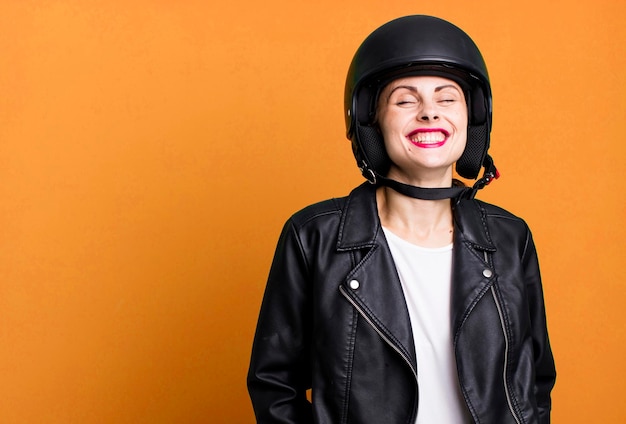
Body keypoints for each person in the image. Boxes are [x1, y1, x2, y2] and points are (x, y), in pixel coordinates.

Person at [247, 15, 556, 424]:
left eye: (447, 98)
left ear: (474, 118)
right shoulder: (312, 237)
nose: (429, 113)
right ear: (370, 124)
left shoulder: (510, 237)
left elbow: (534, 381)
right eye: (405, 100)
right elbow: (274, 386)